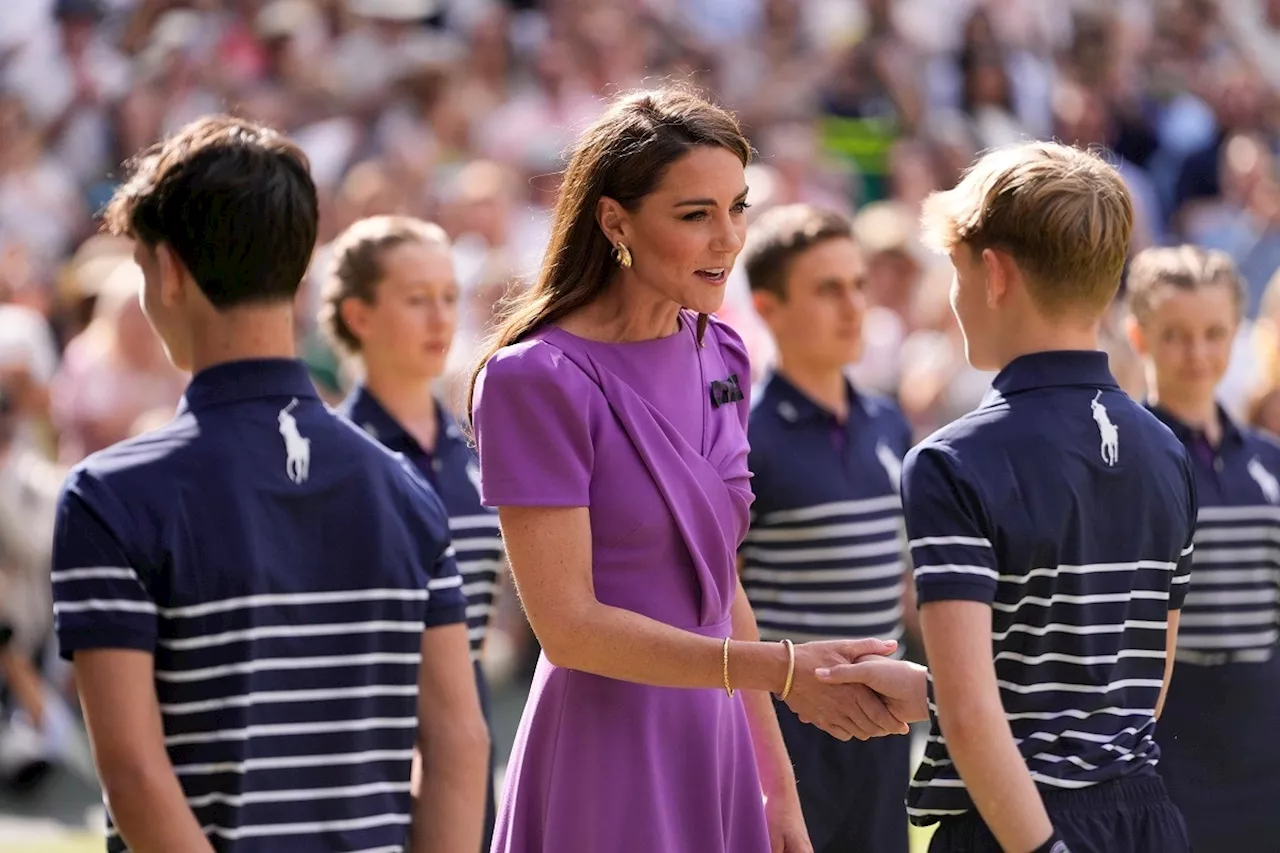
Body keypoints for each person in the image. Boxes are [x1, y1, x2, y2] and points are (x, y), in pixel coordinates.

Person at [467, 84, 905, 853]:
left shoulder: (723, 351)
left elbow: (720, 581)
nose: (728, 239)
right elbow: (569, 629)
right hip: (603, 751)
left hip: (721, 734)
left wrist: (777, 787)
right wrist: (780, 669)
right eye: (695, 215)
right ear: (615, 221)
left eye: (737, 207)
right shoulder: (534, 378)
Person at [49, 115, 490, 853]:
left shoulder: (109, 495)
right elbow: (460, 740)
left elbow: (132, 772)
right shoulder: (404, 486)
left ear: (169, 272)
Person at [818, 141, 1195, 853]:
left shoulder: (951, 461)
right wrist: (928, 690)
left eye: (956, 270)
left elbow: (969, 715)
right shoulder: (1167, 451)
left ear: (993, 274)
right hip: (1146, 820)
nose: (953, 296)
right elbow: (1125, 696)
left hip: (1013, 832)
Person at [324, 214, 505, 851]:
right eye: (416, 299)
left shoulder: (479, 452)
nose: (439, 319)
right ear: (359, 315)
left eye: (449, 298)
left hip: (468, 725)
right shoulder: (330, 459)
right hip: (361, 736)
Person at [739, 203, 915, 853]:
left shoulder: (889, 424)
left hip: (884, 732)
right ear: (768, 306)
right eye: (827, 289)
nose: (852, 306)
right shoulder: (743, 437)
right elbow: (722, 600)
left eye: (858, 285)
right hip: (786, 736)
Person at [1123, 245, 1280, 852]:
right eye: (1176, 335)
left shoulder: (1269, 461)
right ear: (1139, 336)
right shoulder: (1127, 464)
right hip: (1168, 732)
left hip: (1265, 728)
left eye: (1215, 333)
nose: (1198, 353)